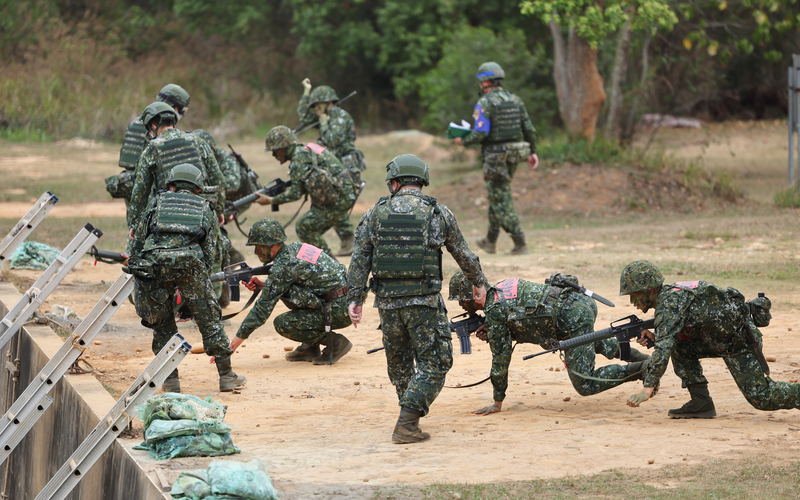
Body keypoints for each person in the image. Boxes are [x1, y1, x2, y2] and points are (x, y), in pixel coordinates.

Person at [347, 154, 489, 444]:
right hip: (423, 302)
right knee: (436, 362)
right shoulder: (437, 213)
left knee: (399, 364)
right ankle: (407, 422)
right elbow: (462, 252)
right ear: (421, 181)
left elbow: (360, 257)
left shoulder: (375, 212)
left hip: (386, 304)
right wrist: (479, 284)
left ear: (395, 182)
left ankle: (408, 416)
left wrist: (355, 298)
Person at [448, 271, 650, 416]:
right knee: (588, 343)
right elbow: (528, 319)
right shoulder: (500, 288)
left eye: (461, 300)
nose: (460, 305)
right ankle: (641, 358)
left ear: (474, 295)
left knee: (585, 383)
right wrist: (494, 330)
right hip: (575, 306)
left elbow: (501, 359)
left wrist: (497, 402)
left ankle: (641, 369)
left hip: (571, 317)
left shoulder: (495, 311)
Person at [620, 260, 800, 417]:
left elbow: (662, 350)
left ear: (650, 290)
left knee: (762, 397)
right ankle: (701, 403)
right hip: (718, 339)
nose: (633, 302)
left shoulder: (669, 305)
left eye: (635, 295)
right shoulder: (671, 294)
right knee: (679, 347)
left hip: (739, 342)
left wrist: (647, 389)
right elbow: (679, 331)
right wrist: (657, 336)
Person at [125, 164, 246, 393]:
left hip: (155, 267)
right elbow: (211, 251)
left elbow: (139, 242)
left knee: (162, 325)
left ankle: (171, 381)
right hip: (191, 267)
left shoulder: (156, 203)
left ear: (171, 185)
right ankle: (227, 376)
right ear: (198, 189)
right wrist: (199, 286)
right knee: (209, 321)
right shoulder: (205, 208)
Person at [230, 218, 353, 365]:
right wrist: (265, 285)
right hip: (347, 301)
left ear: (273, 246)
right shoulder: (296, 248)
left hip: (339, 310)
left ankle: (336, 343)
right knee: (289, 295)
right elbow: (300, 285)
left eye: (259, 246)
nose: (257, 251)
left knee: (284, 323)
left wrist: (232, 345)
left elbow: (260, 311)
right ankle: (310, 347)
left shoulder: (284, 266)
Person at [451, 62, 539, 256]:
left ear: (485, 81)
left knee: (502, 197)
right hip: (515, 155)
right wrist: (532, 151)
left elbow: (481, 133)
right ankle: (490, 241)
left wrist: (463, 141)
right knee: (497, 196)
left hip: (495, 157)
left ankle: (520, 242)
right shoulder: (515, 100)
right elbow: (529, 129)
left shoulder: (485, 102)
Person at [254, 126, 355, 258]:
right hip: (343, 190)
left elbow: (295, 193)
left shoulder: (299, 158)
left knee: (305, 227)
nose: (274, 156)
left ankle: (329, 266)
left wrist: (271, 201)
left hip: (340, 195)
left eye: (275, 151)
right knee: (312, 227)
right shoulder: (306, 148)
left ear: (283, 147)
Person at [127, 102, 226, 233]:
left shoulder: (151, 149)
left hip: (168, 216)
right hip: (202, 213)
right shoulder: (198, 141)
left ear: (153, 125)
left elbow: (139, 193)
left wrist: (135, 224)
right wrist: (219, 210)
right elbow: (218, 180)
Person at [297, 80, 365, 257]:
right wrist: (306, 92)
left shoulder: (340, 118)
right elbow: (304, 118)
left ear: (328, 103)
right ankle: (347, 240)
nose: (316, 111)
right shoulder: (325, 116)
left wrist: (324, 124)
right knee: (332, 200)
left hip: (346, 167)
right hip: (334, 167)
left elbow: (329, 142)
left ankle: (348, 239)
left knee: (337, 201)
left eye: (318, 106)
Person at [107, 84, 191, 217]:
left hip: (129, 182)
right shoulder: (155, 123)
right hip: (146, 185)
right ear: (174, 107)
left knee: (135, 225)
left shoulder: (138, 121)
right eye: (180, 110)